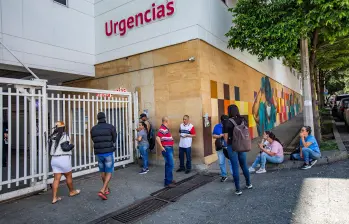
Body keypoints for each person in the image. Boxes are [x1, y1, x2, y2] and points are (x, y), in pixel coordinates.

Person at [223, 104, 252, 195]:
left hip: (232, 146)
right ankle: (248, 183)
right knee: (243, 165)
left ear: (229, 111)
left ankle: (238, 189)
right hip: (242, 145)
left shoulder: (227, 122)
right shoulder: (243, 119)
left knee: (235, 167)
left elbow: (225, 137)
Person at [50, 121, 80, 204]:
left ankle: (54, 198)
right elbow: (65, 148)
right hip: (63, 159)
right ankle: (72, 191)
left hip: (54, 159)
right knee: (68, 176)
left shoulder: (52, 136)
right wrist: (72, 145)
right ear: (63, 128)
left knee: (56, 179)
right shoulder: (64, 135)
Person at [91, 112, 117, 200]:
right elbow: (114, 139)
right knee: (109, 171)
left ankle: (106, 189)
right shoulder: (110, 127)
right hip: (108, 152)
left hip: (98, 152)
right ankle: (102, 190)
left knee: (102, 171)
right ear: (105, 118)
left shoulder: (93, 129)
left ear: (97, 118)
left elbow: (93, 139)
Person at [156, 116, 176, 188]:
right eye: (169, 121)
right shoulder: (162, 129)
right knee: (170, 164)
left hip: (168, 148)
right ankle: (168, 182)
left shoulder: (165, 128)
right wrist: (161, 147)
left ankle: (169, 179)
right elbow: (157, 138)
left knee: (169, 164)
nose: (169, 123)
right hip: (167, 149)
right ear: (166, 121)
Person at [212, 115, 233, 182]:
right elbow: (213, 136)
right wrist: (219, 136)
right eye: (224, 121)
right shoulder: (217, 126)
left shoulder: (230, 126)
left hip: (229, 146)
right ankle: (224, 175)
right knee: (221, 162)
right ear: (221, 121)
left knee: (231, 162)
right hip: (220, 146)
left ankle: (234, 175)